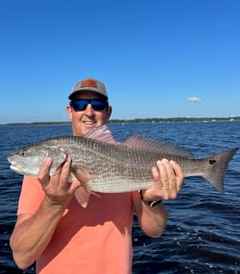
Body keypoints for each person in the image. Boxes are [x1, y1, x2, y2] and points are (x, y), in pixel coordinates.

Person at [10, 78, 185, 274]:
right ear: (70, 111)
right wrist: (53, 203)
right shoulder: (41, 173)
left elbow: (155, 231)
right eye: (79, 105)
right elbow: (22, 258)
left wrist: (152, 200)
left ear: (108, 112)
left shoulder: (129, 157)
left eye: (98, 105)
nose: (89, 112)